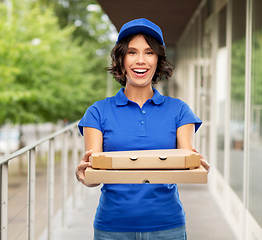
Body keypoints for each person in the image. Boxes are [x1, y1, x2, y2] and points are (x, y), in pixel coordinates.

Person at [75, 18, 210, 240]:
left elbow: (187, 164)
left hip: (167, 226)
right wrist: (82, 173)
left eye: (149, 52)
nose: (141, 60)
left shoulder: (179, 111)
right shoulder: (97, 112)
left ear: (158, 59)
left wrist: (197, 167)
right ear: (121, 59)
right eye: (132, 52)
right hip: (112, 227)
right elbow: (94, 174)